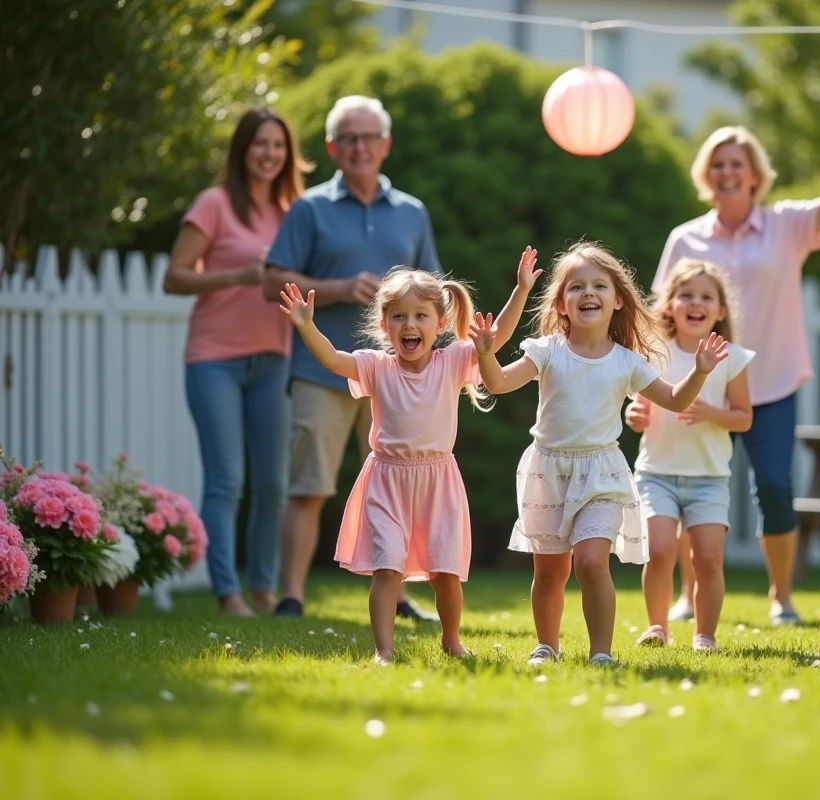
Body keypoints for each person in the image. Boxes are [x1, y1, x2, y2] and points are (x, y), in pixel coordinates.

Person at [645, 120, 820, 626]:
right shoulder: (685, 238)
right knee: (683, 483)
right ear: (706, 174)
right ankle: (687, 596)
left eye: (736, 164)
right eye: (717, 164)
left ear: (755, 175)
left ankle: (781, 597)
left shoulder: (785, 225)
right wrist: (654, 384)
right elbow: (660, 314)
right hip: (696, 386)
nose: (726, 172)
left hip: (771, 384)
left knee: (775, 487)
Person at [469, 241, 729, 666]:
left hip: (602, 473)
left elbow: (676, 401)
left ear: (618, 300)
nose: (588, 293)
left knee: (592, 561)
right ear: (562, 303)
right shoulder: (547, 351)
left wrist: (700, 372)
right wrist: (484, 353)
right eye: (576, 287)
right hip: (548, 470)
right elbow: (497, 384)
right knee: (550, 572)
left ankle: (601, 654)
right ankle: (547, 646)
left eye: (598, 286)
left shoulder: (627, 362)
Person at [274, 248, 540, 662]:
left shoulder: (453, 361)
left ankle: (452, 641)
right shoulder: (376, 366)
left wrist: (521, 290)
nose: (409, 324)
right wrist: (307, 327)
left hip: (438, 481)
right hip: (386, 480)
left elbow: (498, 336)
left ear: (441, 324)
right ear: (384, 325)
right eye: (399, 316)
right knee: (387, 568)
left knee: (446, 574)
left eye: (420, 316)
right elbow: (331, 359)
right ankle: (384, 651)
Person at [263, 95, 443, 620]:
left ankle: (402, 596)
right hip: (321, 371)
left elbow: (433, 291)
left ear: (385, 145)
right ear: (332, 148)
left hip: (399, 379)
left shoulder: (412, 211)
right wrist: (339, 287)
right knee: (309, 486)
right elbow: (272, 280)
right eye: (349, 138)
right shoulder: (309, 208)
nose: (359, 147)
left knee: (402, 483)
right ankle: (291, 597)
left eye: (369, 137)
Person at [164, 106, 311, 616]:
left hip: (273, 360)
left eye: (277, 145)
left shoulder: (296, 210)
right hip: (214, 361)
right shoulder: (214, 203)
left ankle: (266, 589)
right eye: (259, 144)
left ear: (287, 154)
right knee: (227, 480)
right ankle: (228, 593)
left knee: (272, 484)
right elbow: (174, 277)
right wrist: (237, 277)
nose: (269, 154)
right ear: (242, 150)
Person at [626, 258, 754, 652]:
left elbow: (744, 418)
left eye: (706, 297)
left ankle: (705, 636)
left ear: (720, 310)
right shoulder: (653, 352)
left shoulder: (731, 357)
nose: (695, 302)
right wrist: (632, 414)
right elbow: (635, 408)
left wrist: (713, 413)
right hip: (656, 473)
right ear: (670, 305)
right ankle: (657, 628)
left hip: (709, 478)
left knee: (707, 560)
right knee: (660, 550)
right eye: (686, 295)